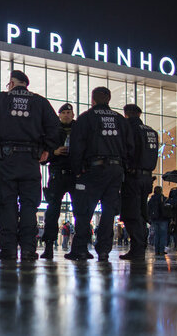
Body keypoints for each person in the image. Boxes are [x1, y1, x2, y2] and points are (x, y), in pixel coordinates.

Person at [0, 70, 61, 261]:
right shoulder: (40, 102)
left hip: (6, 159)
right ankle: (27, 250)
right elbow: (55, 128)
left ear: (12, 82)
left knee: (6, 203)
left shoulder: (1, 99)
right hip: (31, 161)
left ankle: (8, 249)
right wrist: (47, 149)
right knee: (29, 205)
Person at [66, 86, 134, 261]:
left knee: (84, 210)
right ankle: (104, 250)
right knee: (109, 211)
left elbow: (77, 146)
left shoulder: (86, 118)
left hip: (93, 169)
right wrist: (123, 167)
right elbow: (130, 148)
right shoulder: (120, 120)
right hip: (115, 170)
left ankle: (80, 249)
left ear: (93, 100)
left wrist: (77, 170)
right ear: (109, 100)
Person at [118, 103, 159, 260]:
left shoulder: (129, 128)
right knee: (141, 212)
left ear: (126, 114)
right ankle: (140, 246)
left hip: (133, 176)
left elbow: (127, 150)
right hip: (147, 177)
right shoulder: (151, 132)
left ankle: (136, 247)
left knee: (130, 212)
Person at [40, 103, 76, 259]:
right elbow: (42, 157)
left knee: (80, 212)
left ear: (73, 115)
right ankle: (49, 245)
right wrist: (54, 152)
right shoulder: (52, 130)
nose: (67, 115)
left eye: (69, 112)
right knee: (52, 212)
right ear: (59, 115)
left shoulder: (79, 129)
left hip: (75, 174)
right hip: (57, 174)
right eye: (64, 112)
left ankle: (79, 247)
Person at [147, 186, 169, 255]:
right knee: (162, 235)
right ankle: (161, 250)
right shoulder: (163, 198)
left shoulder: (151, 199)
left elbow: (148, 209)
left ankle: (157, 251)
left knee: (156, 235)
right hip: (162, 219)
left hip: (154, 219)